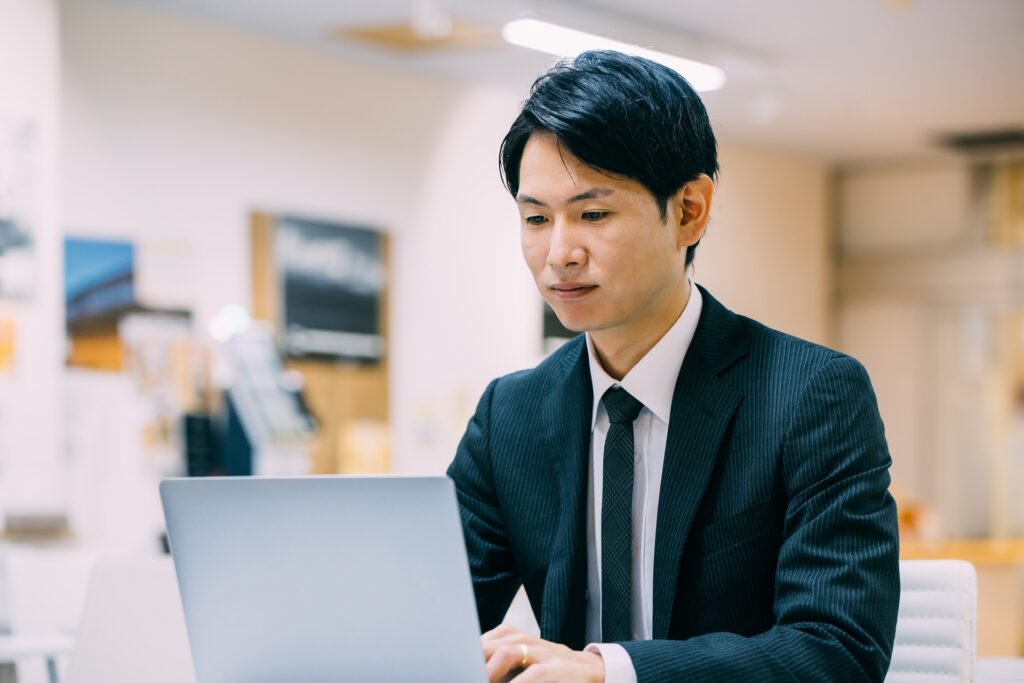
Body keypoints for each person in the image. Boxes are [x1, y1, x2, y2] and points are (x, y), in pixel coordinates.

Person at [447, 50, 899, 683]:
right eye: (536, 219)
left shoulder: (812, 396)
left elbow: (839, 650)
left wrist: (610, 673)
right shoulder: (509, 416)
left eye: (593, 214)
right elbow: (430, 619)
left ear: (689, 210)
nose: (559, 254)